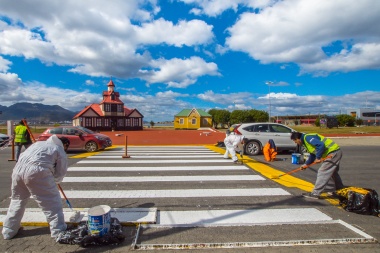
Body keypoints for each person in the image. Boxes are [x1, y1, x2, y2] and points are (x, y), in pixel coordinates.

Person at [2, 135, 70, 240]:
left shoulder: (38, 144)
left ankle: (9, 230)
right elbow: (60, 173)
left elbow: (22, 156)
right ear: (64, 144)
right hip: (37, 173)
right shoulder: (59, 149)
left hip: (18, 171)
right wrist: (55, 179)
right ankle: (58, 230)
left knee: (17, 200)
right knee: (52, 203)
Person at [290, 132, 344, 199]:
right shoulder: (306, 142)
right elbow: (312, 155)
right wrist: (306, 165)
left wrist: (318, 158)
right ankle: (339, 190)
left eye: (295, 141)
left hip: (332, 153)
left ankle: (315, 193)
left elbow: (321, 145)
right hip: (334, 152)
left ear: (298, 139)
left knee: (323, 172)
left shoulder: (307, 138)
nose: (295, 143)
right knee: (333, 173)